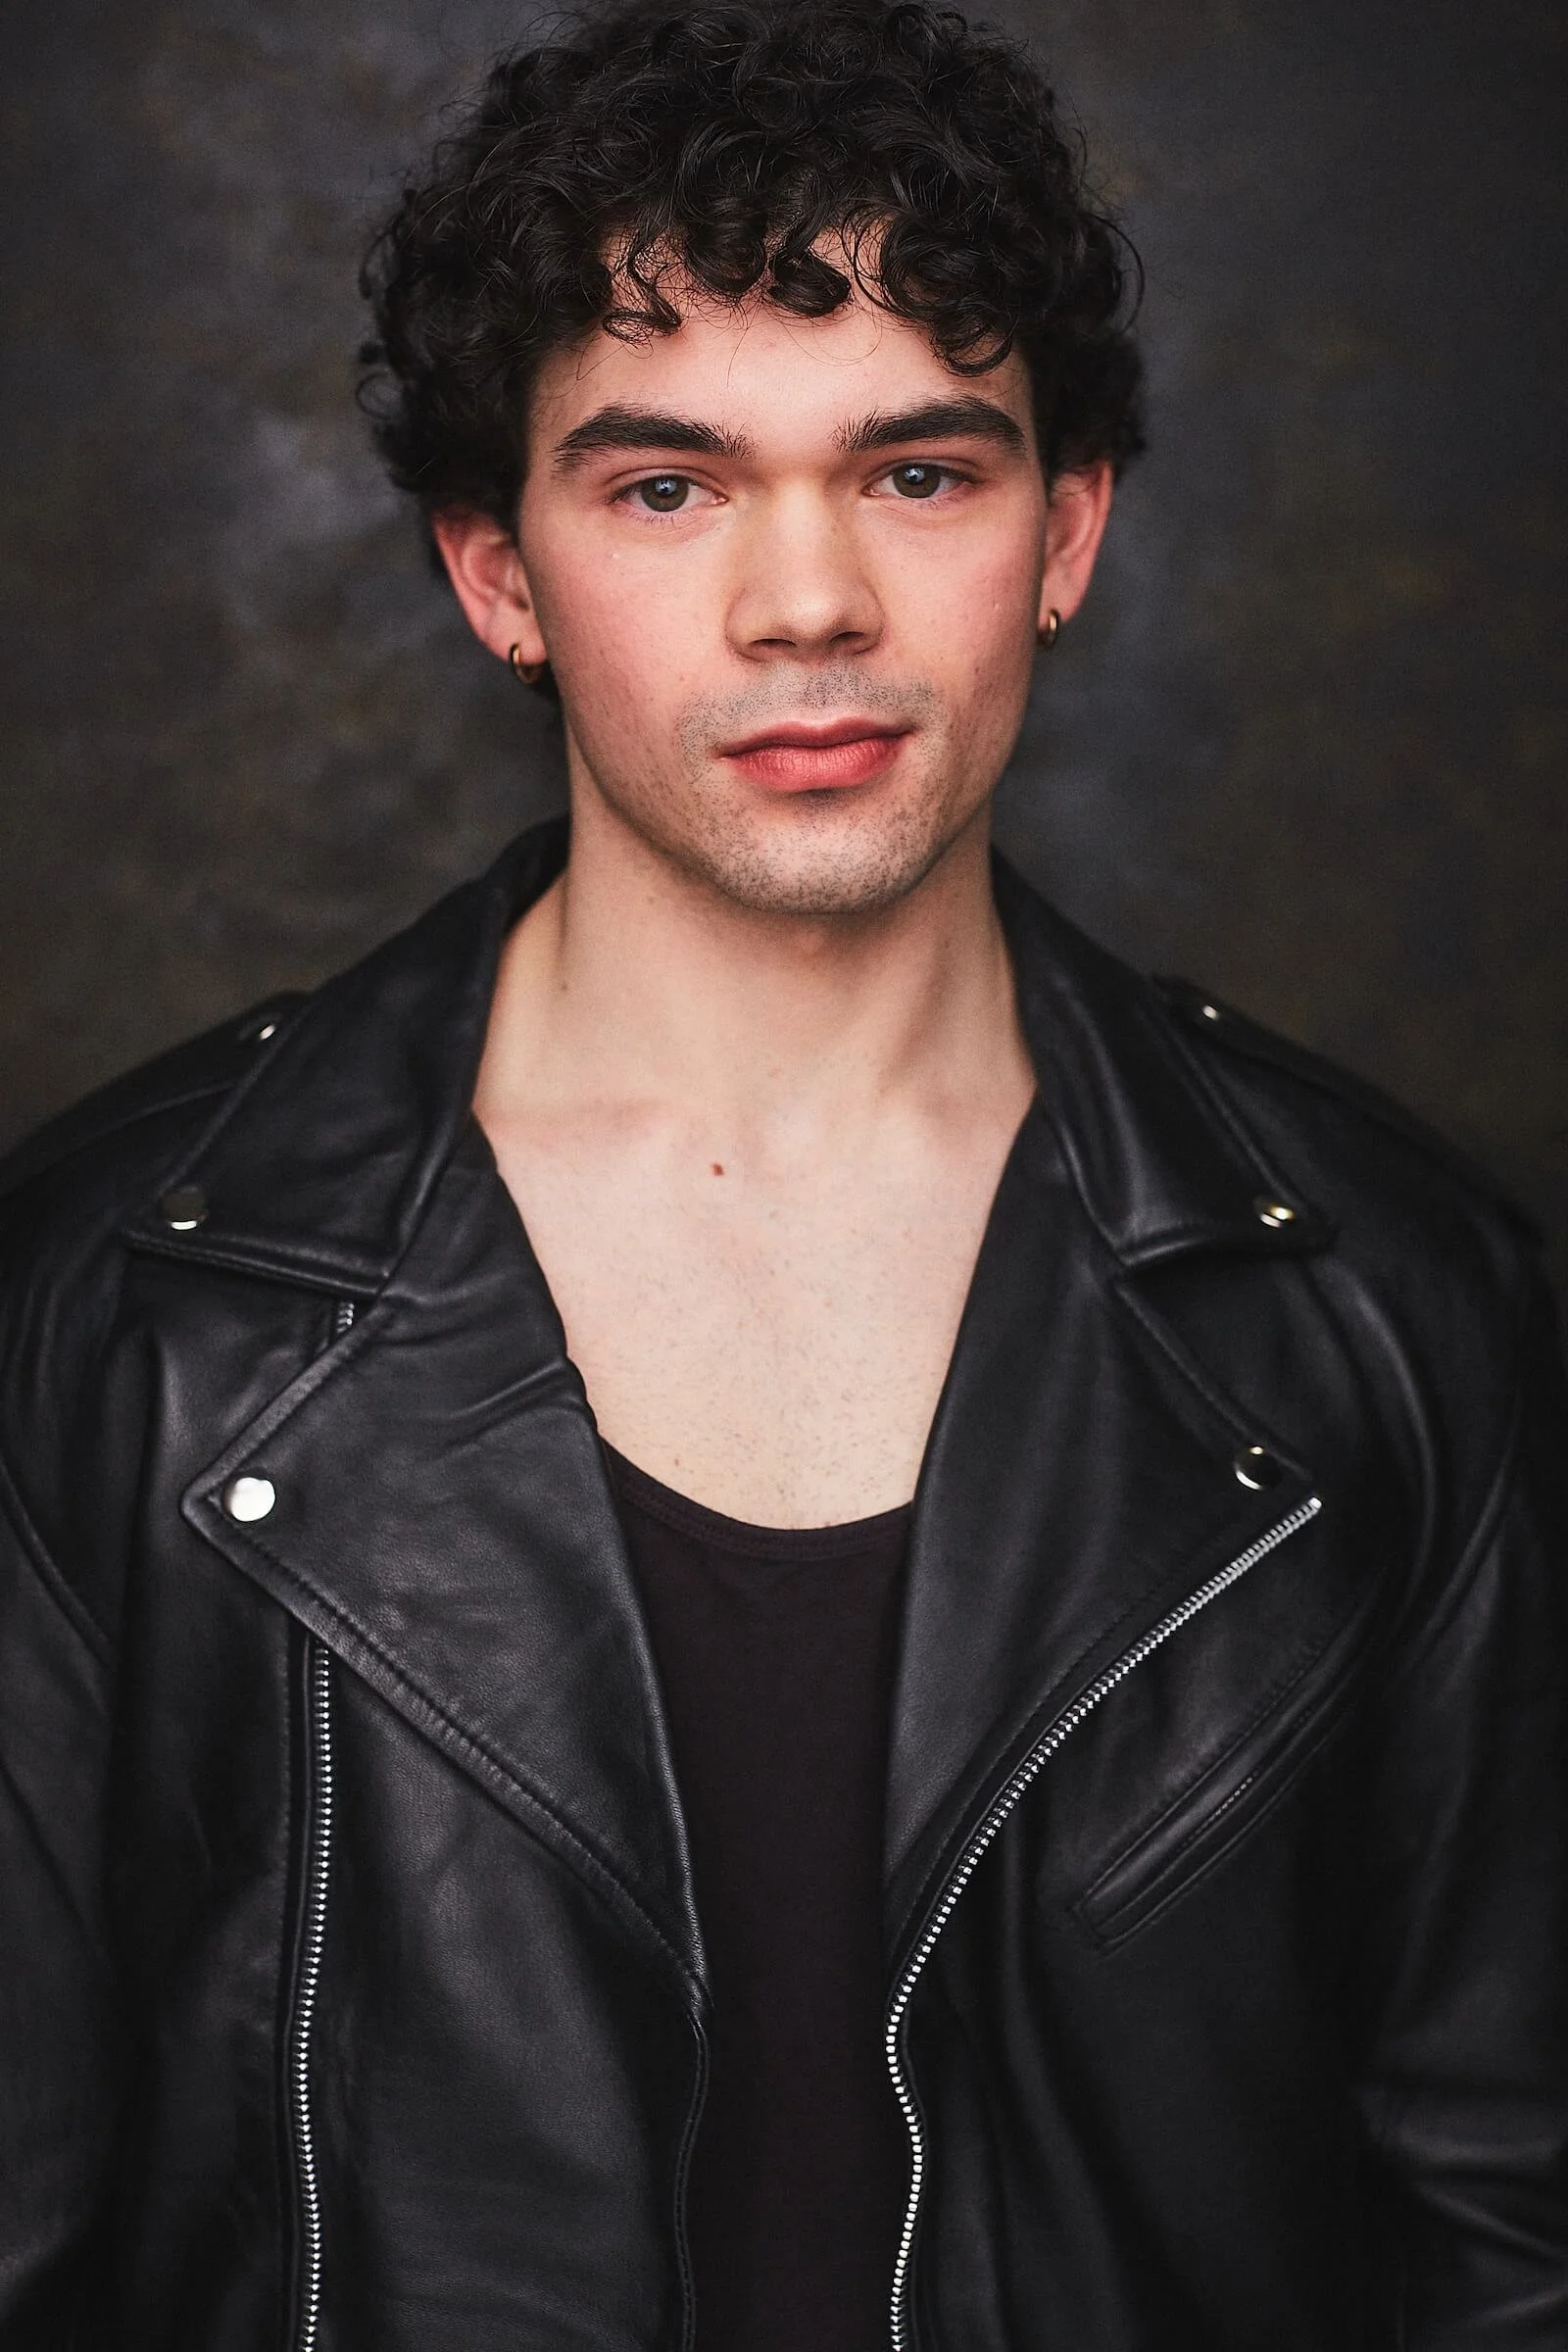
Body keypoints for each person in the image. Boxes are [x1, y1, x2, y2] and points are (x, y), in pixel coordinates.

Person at [1, 0, 1564, 2343]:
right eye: (665, 486)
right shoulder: (128, 1307)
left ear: (1069, 528)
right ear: (494, 572)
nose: (806, 600)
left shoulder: (1387, 1301)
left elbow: (1503, 2231)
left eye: (920, 471)